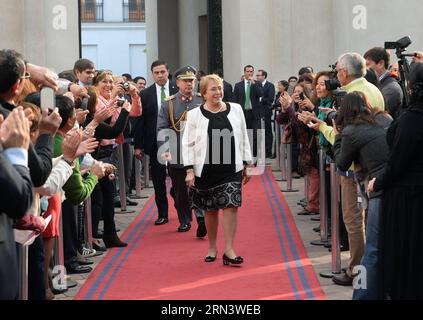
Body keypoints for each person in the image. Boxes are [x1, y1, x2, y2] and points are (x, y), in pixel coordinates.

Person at [183, 74, 252, 265]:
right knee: (211, 210)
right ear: (203, 93)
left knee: (231, 206)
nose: (218, 92)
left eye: (219, 88)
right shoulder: (194, 114)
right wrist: (189, 170)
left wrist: (248, 162)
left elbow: (244, 136)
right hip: (205, 169)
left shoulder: (236, 109)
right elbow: (187, 144)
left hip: (232, 167)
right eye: (213, 89)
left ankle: (229, 249)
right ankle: (212, 247)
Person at [368, 62, 423, 299]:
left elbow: (398, 162)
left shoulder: (412, 119)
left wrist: (377, 182)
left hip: (408, 200)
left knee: (407, 258)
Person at [331, 92, 391, 300]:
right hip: (397, 184)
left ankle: (363, 295)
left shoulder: (351, 130)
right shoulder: (384, 118)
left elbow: (341, 163)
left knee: (373, 248)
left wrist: (337, 135)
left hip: (379, 188)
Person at [157, 66, 206, 236]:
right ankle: (185, 219)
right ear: (177, 82)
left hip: (199, 152)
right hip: (177, 152)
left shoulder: (201, 101)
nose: (189, 84)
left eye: (191, 80)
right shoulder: (169, 103)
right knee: (180, 190)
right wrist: (165, 150)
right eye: (185, 81)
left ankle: (200, 218)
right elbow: (162, 129)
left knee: (199, 186)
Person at [134, 61, 178, 226]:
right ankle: (163, 214)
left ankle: (179, 200)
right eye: (156, 72)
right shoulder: (145, 94)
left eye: (162, 72)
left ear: (168, 72)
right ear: (152, 74)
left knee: (178, 178)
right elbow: (140, 121)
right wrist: (138, 146)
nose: (160, 75)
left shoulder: (177, 90)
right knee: (158, 180)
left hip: (175, 141)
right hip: (155, 142)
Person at [233, 65, 263, 159]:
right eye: (248, 71)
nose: (249, 73)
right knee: (244, 134)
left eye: (251, 72)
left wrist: (253, 83)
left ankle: (254, 155)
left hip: (254, 113)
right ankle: (245, 155)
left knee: (254, 135)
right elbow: (235, 100)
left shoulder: (257, 83)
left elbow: (261, 94)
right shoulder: (238, 85)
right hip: (243, 113)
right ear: (244, 72)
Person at [364, 47, 403, 119]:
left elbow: (379, 116)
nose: (364, 69)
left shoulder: (391, 89)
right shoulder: (380, 84)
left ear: (381, 63)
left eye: (367, 64)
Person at [256, 69, 275, 159]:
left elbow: (270, 99)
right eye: (257, 75)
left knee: (267, 132)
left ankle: (268, 151)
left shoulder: (270, 85)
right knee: (258, 132)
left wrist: (260, 99)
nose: (257, 77)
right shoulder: (255, 85)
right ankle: (259, 151)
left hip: (266, 112)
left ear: (264, 76)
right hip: (256, 112)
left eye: (259, 75)